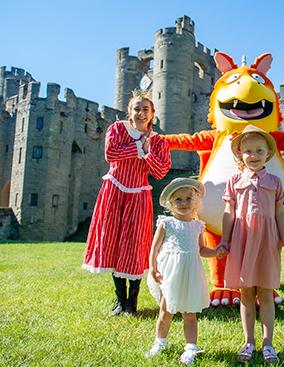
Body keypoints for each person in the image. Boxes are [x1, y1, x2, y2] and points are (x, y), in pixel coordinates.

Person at [82, 91, 171, 315]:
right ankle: (120, 301)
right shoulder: (118, 129)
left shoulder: (158, 140)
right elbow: (111, 153)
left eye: (145, 110)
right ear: (129, 111)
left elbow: (160, 171)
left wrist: (148, 152)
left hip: (139, 194)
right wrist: (138, 148)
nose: (141, 113)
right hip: (114, 190)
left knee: (134, 245)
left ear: (152, 114)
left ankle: (132, 302)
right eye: (136, 109)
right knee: (112, 242)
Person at [218, 125, 284, 363]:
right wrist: (224, 240)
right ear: (240, 153)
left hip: (266, 241)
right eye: (248, 151)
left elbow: (280, 213)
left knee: (266, 293)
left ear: (267, 154)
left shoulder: (275, 181)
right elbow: (228, 213)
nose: (253, 155)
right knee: (246, 293)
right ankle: (248, 341)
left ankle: (268, 343)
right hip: (242, 239)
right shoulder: (234, 181)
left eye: (259, 151)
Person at [146, 178, 226, 365]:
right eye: (178, 200)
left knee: (189, 313)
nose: (183, 203)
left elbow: (201, 249)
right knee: (166, 311)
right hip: (170, 273)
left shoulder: (198, 226)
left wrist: (215, 252)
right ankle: (160, 342)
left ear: (196, 201)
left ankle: (191, 347)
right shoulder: (166, 223)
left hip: (190, 272)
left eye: (188, 199)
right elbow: (154, 248)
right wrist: (153, 269)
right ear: (171, 203)